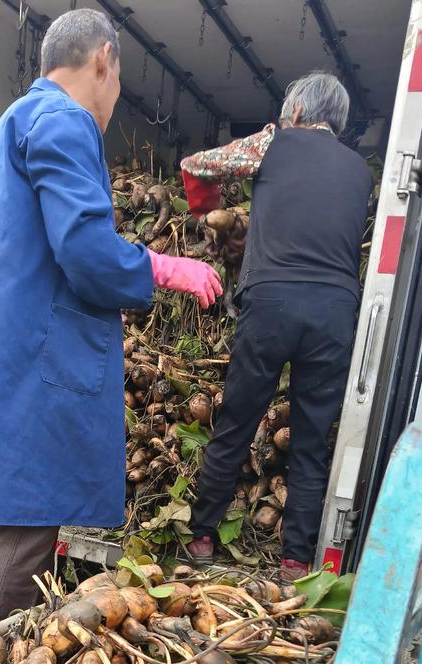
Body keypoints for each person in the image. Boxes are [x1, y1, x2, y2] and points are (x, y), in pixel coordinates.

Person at [0, 8, 221, 639]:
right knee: (23, 535)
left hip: (16, 351)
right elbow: (84, 249)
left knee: (23, 526)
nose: (113, 99)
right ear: (104, 59)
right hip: (45, 362)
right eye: (119, 79)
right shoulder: (64, 120)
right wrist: (158, 266)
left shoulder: (8, 127)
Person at [180, 71, 373, 579]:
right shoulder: (359, 170)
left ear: (295, 113)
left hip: (271, 303)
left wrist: (213, 216)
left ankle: (202, 538)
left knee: (238, 422)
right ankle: (293, 563)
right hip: (334, 310)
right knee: (310, 441)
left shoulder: (272, 143)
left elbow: (196, 167)